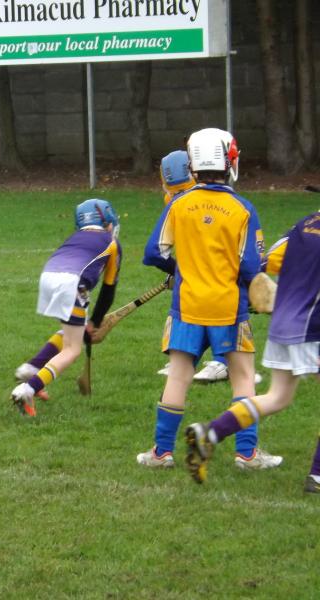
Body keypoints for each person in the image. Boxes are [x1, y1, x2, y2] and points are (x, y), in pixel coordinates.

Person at [137, 127, 281, 471]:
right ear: (228, 161)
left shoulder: (179, 204)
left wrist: (180, 267)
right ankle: (246, 454)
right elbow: (252, 266)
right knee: (243, 377)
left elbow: (154, 252)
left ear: (193, 165)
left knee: (179, 376)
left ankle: (161, 453)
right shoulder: (242, 208)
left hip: (186, 306)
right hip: (228, 308)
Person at [185, 209, 320, 489]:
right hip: (311, 325)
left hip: (283, 320)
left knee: (278, 396)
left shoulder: (305, 222)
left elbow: (270, 260)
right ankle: (317, 475)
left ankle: (210, 433)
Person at [155, 150, 263, 385]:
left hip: (224, 269)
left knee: (225, 306)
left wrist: (176, 268)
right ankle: (190, 361)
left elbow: (155, 250)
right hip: (200, 275)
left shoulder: (208, 199)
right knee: (196, 310)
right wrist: (178, 268)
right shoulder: (179, 201)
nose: (177, 194)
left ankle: (225, 362)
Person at [11, 198, 122, 417]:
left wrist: (89, 323)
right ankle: (28, 389)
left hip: (48, 277)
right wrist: (95, 323)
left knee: (70, 331)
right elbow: (108, 291)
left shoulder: (74, 237)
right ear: (106, 219)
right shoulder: (112, 242)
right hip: (72, 283)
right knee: (73, 348)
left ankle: (32, 369)